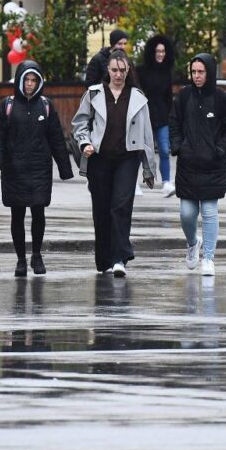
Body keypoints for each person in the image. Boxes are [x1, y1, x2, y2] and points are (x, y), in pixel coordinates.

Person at [72, 48, 155, 278]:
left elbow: (147, 135)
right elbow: (79, 123)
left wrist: (149, 169)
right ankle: (104, 260)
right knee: (101, 208)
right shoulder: (94, 94)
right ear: (107, 70)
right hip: (99, 158)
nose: (118, 74)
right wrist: (85, 143)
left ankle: (120, 258)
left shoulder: (138, 98)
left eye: (122, 70)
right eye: (114, 70)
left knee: (121, 205)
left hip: (128, 158)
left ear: (128, 71)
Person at [0, 60, 74, 278]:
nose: (29, 84)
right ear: (19, 80)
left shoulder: (45, 105)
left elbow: (56, 138)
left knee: (38, 211)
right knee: (17, 214)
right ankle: (20, 259)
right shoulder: (7, 106)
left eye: (33, 80)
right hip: (14, 169)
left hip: (39, 168)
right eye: (26, 80)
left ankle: (36, 254)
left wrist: (65, 168)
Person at [170, 53, 226, 276]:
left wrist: (220, 150)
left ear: (209, 72)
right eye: (194, 72)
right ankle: (193, 243)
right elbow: (174, 124)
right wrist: (178, 147)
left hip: (213, 165)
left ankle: (209, 258)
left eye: (201, 72)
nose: (197, 76)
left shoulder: (222, 99)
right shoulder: (183, 97)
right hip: (188, 166)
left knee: (210, 211)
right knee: (187, 213)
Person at [137, 34, 176, 196]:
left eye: (163, 51)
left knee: (165, 150)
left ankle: (166, 182)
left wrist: (170, 115)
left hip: (162, 118)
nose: (161, 54)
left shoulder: (167, 72)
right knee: (141, 151)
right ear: (152, 52)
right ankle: (134, 184)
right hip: (145, 116)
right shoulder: (141, 71)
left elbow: (168, 96)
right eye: (158, 51)